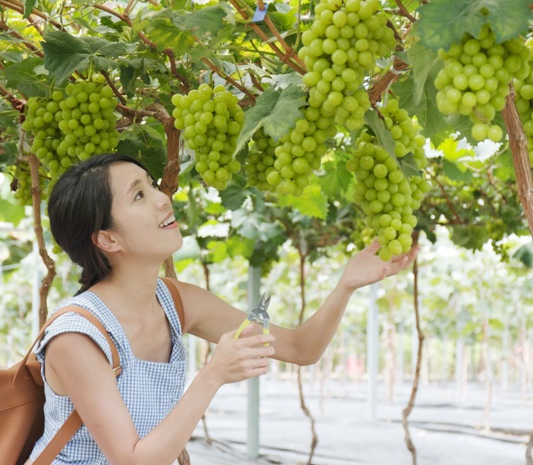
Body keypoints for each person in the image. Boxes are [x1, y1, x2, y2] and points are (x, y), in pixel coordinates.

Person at [27, 152, 417, 465]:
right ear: (107, 239)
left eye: (151, 184)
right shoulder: (77, 337)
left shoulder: (178, 302)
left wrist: (346, 284)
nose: (163, 197)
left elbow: (300, 348)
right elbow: (133, 461)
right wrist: (212, 374)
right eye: (139, 195)